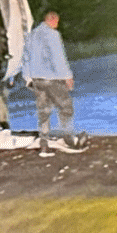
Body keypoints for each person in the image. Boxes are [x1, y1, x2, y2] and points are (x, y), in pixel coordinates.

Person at [22, 10, 86, 153]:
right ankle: (69, 139)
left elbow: (25, 58)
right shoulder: (52, 35)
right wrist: (67, 76)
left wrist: (27, 78)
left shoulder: (30, 36)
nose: (57, 25)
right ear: (52, 19)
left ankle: (44, 144)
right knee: (65, 108)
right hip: (53, 79)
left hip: (37, 80)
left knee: (43, 112)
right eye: (57, 21)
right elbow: (58, 58)